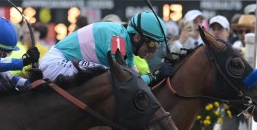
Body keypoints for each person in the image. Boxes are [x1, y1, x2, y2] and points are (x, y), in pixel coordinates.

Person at [38, 11, 171, 84]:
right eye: (153, 44)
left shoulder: (128, 51)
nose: (154, 50)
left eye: (159, 44)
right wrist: (155, 75)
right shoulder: (117, 37)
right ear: (137, 37)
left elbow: (137, 81)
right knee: (105, 76)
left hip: (65, 63)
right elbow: (123, 79)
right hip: (54, 64)